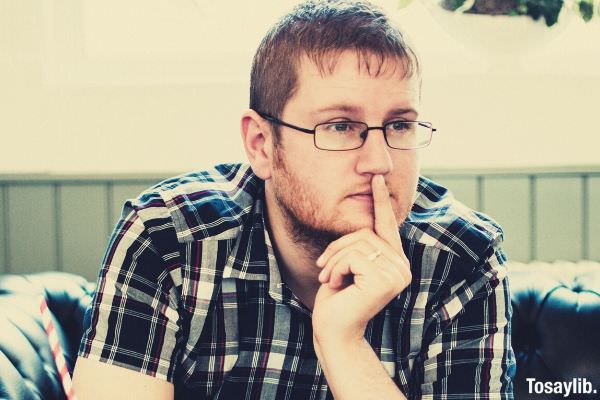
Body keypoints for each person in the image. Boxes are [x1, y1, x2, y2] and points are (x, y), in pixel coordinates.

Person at [72, 1, 516, 399]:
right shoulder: (167, 239)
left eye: (399, 125)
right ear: (262, 144)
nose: (379, 162)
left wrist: (342, 344)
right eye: (340, 126)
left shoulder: (465, 260)